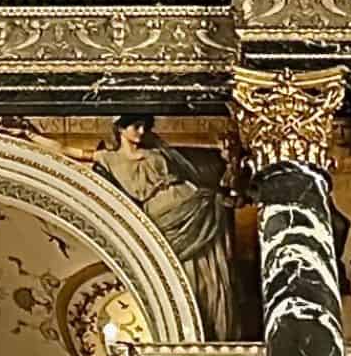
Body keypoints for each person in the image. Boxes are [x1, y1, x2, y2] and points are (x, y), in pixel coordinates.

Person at [95, 119, 244, 342]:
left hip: (192, 203)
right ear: (120, 128)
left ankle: (221, 330)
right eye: (135, 126)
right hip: (163, 218)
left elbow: (190, 168)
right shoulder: (108, 158)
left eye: (144, 126)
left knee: (209, 271)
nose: (141, 131)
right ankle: (197, 330)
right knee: (183, 274)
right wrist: (36, 140)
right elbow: (64, 150)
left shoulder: (157, 152)